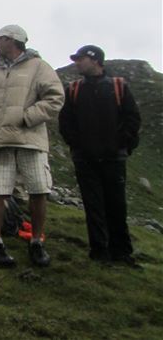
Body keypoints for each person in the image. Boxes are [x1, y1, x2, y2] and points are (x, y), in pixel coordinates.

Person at [0, 24, 64, 268]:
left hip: (30, 141)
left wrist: (28, 117)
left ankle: (36, 241)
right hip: (0, 142)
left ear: (12, 41)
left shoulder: (39, 67)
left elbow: (55, 98)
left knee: (38, 189)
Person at [59, 45, 141, 266]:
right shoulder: (74, 89)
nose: (77, 63)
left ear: (95, 60)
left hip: (113, 158)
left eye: (81, 59)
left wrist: (120, 143)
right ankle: (99, 252)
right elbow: (65, 122)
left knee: (116, 206)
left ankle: (122, 253)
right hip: (85, 159)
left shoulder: (118, 87)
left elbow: (132, 119)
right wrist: (77, 145)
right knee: (93, 206)